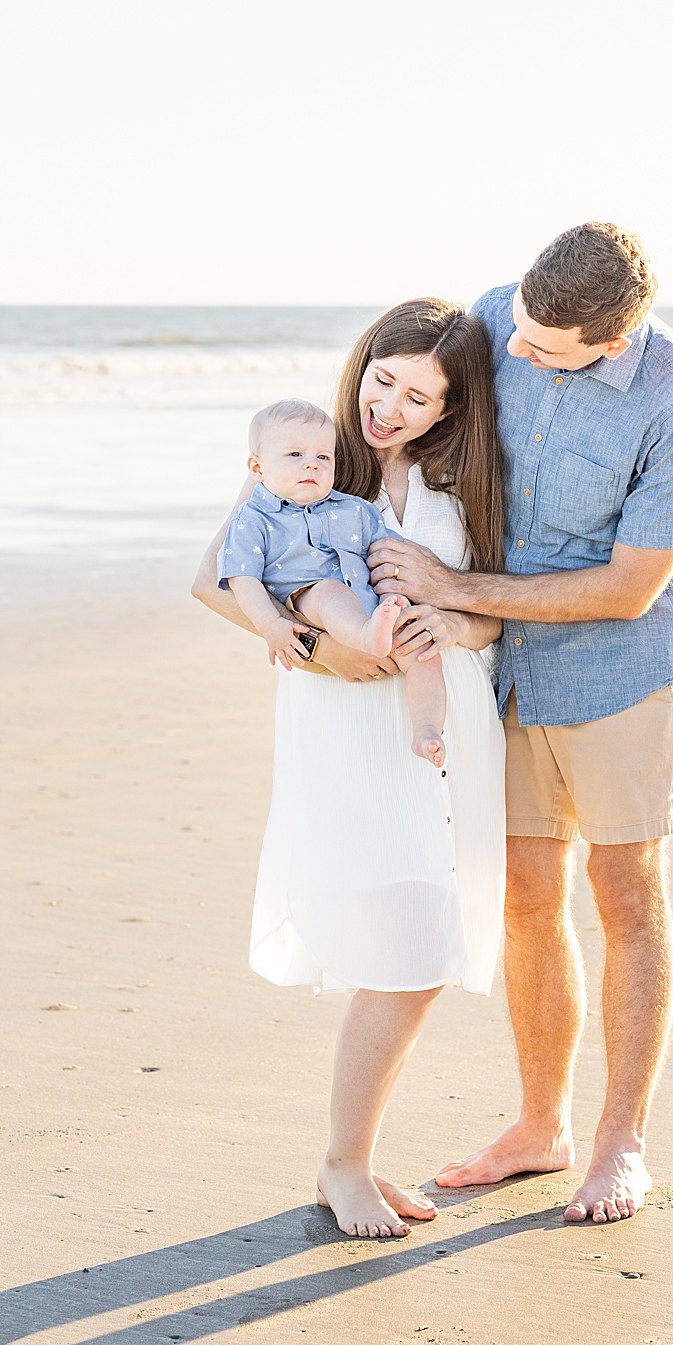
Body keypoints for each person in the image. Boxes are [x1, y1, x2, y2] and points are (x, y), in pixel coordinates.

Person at [369, 223, 673, 1225]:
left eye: (545, 345)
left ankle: (620, 1143)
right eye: (518, 326)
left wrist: (458, 588)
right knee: (527, 890)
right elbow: (400, 408)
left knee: (625, 893)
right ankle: (540, 1124)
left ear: (610, 342)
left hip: (619, 676)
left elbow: (629, 587)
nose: (515, 349)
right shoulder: (496, 315)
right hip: (501, 672)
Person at [190, 298, 509, 1238]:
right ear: (361, 363)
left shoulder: (467, 481)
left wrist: (455, 618)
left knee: (421, 952)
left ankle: (351, 1158)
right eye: (383, 379)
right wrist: (321, 646)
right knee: (404, 954)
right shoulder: (308, 458)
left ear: (449, 407)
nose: (391, 406)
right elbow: (213, 580)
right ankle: (344, 1164)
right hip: (343, 728)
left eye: (418, 395)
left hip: (443, 727)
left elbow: (498, 609)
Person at [218, 399, 448, 766]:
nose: (312, 463)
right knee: (330, 592)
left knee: (423, 652)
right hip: (308, 595)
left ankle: (427, 730)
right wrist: (272, 624)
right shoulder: (254, 518)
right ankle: (368, 637)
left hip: (370, 603)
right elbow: (240, 576)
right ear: (257, 468)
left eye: (324, 457)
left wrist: (407, 586)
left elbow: (390, 551)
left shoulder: (354, 509)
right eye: (295, 454)